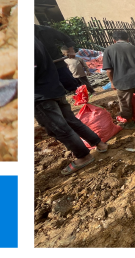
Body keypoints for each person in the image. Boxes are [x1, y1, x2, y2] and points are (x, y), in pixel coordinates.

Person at [34, 25, 107, 173]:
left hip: (41, 96)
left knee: (60, 129)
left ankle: (83, 156)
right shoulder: (34, 40)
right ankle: (99, 143)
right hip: (54, 89)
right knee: (71, 121)